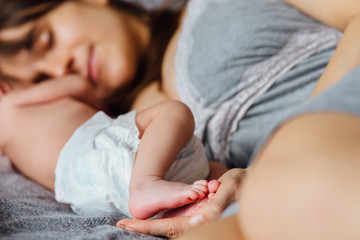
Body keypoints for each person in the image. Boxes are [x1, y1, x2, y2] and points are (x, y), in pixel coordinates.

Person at [1, 0, 360, 238]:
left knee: (284, 190)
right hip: (273, 176)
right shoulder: (132, 131)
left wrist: (287, 141)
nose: (58, 68)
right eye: (43, 81)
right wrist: (240, 177)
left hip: (335, 118)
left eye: (45, 41)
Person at [0, 79, 226, 220]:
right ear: (3, 87)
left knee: (211, 171)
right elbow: (78, 85)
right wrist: (96, 105)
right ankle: (147, 182)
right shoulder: (9, 102)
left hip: (86, 195)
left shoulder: (9, 155)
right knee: (174, 112)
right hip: (96, 147)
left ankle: (180, 210)